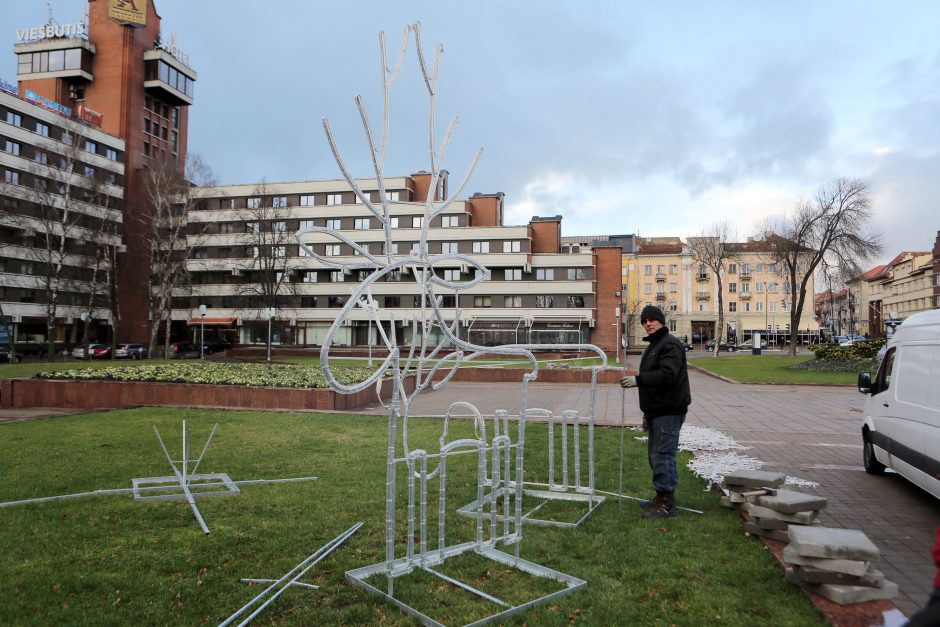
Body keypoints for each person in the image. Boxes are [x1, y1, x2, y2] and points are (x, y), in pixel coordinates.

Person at [620, 304, 692, 518]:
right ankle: (661, 496)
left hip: (669, 410)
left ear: (661, 321)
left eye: (652, 319)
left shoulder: (670, 344)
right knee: (656, 455)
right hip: (657, 411)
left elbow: (667, 375)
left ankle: (667, 504)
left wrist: (638, 380)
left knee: (663, 455)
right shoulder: (655, 345)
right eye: (644, 321)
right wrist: (647, 413)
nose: (648, 324)